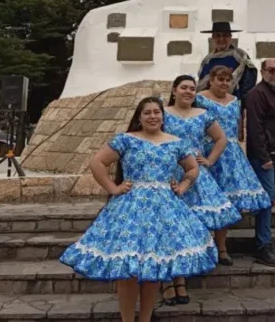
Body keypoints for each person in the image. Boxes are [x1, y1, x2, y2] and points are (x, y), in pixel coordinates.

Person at [60, 97, 217, 320]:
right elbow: (97, 162)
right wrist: (113, 188)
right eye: (147, 113)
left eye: (157, 112)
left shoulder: (176, 142)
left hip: (164, 210)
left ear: (163, 116)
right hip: (130, 210)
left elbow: (192, 168)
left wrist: (182, 186)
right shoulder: (127, 140)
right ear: (139, 117)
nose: (153, 116)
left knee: (154, 268)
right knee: (128, 271)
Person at [163, 76, 241, 304]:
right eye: (184, 87)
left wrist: (209, 159)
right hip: (169, 175)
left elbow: (221, 138)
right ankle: (167, 280)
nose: (188, 92)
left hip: (196, 174)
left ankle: (181, 278)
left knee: (190, 227)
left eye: (192, 88)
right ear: (174, 89)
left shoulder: (203, 114)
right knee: (170, 226)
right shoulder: (162, 112)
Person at [196, 66, 272, 266]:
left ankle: (222, 247)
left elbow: (239, 129)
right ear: (211, 80)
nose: (223, 83)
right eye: (220, 79)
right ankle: (202, 246)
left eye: (227, 80)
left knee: (225, 203)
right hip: (207, 151)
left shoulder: (235, 101)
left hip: (230, 155)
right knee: (203, 201)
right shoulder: (200, 99)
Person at [245, 58, 275, 267]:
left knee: (270, 199)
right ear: (263, 71)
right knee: (265, 202)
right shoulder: (257, 94)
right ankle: (262, 246)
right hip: (265, 157)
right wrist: (264, 157)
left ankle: (266, 242)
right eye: (271, 70)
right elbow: (255, 127)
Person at [197, 22, 258, 102]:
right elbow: (201, 84)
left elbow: (249, 82)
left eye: (225, 35)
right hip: (208, 104)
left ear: (230, 37)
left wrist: (243, 102)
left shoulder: (240, 56)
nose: (221, 39)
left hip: (233, 103)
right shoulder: (207, 60)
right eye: (218, 36)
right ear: (213, 38)